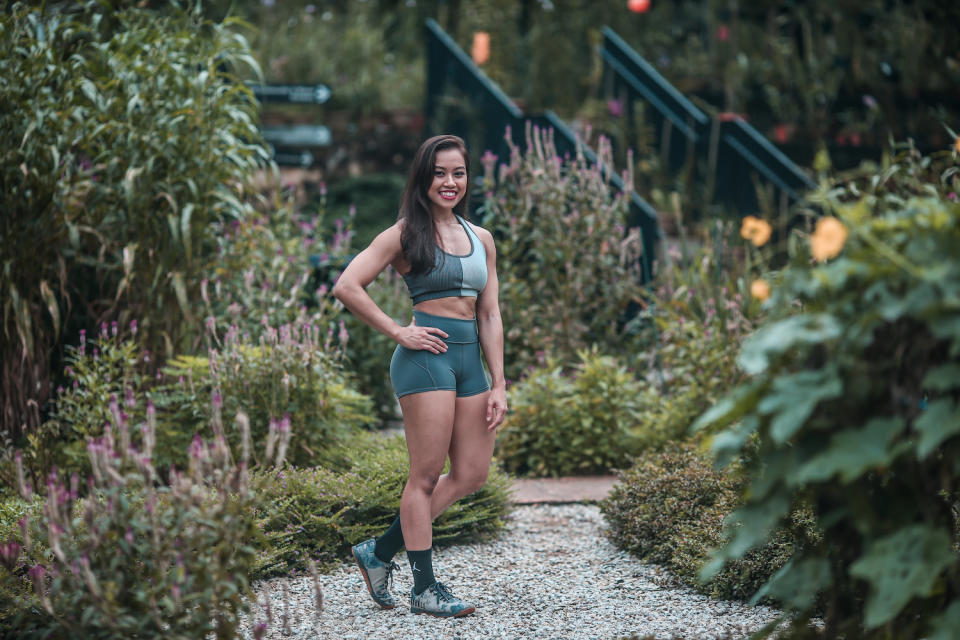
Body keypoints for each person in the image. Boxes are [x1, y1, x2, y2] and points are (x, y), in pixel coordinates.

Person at [332, 134, 507, 618]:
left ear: (467, 178)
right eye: (439, 173)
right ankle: (424, 588)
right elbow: (347, 284)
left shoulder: (482, 239)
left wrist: (500, 384)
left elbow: (489, 315)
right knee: (425, 477)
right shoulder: (405, 233)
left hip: (470, 362)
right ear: (424, 178)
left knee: (472, 473)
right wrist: (397, 331)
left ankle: (380, 551)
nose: (450, 182)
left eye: (458, 173)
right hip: (425, 359)